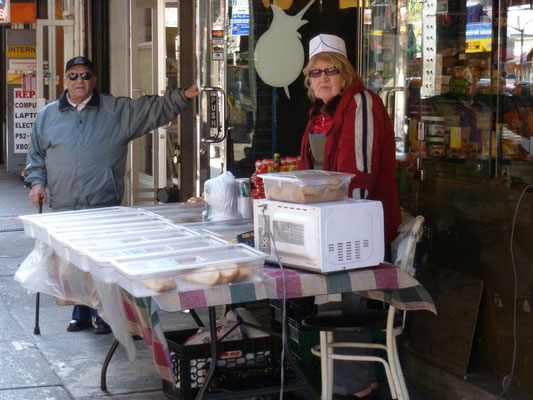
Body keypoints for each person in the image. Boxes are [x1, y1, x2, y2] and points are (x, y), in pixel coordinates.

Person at [25, 56, 199, 334]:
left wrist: (183, 97)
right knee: (72, 264)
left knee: (100, 264)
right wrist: (37, 183)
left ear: (93, 80)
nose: (79, 80)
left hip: (102, 203)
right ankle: (80, 311)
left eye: (85, 75)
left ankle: (101, 314)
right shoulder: (48, 115)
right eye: (73, 75)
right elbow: (36, 156)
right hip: (64, 202)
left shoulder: (115, 111)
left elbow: (150, 108)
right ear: (64, 80)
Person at [298, 34, 401, 399]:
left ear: (345, 73)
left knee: (344, 300)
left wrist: (338, 228)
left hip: (355, 229)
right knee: (330, 300)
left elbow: (360, 175)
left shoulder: (361, 103)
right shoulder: (321, 113)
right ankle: (342, 381)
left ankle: (357, 386)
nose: (323, 78)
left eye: (331, 70)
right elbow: (310, 173)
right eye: (315, 73)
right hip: (329, 226)